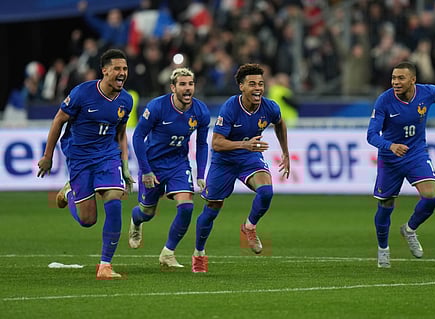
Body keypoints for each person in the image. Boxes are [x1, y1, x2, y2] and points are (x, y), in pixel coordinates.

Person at [37, 49, 135, 279]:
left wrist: (125, 165)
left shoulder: (126, 100)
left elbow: (120, 133)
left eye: (125, 69)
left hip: (107, 155)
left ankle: (105, 265)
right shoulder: (82, 93)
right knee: (88, 220)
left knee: (114, 199)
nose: (122, 74)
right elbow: (59, 120)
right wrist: (48, 156)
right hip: (79, 156)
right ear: (105, 71)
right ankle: (69, 192)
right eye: (118, 69)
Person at [192, 63, 290, 273]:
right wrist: (243, 144)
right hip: (224, 161)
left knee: (266, 191)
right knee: (211, 210)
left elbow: (280, 123)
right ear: (241, 87)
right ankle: (199, 253)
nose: (258, 88)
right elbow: (217, 143)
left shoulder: (270, 107)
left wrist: (286, 152)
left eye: (261, 84)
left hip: (249, 158)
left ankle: (249, 227)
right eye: (252, 84)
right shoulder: (230, 107)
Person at [366, 61, 435, 268]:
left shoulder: (428, 92)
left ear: (413, 80)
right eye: (393, 78)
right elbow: (371, 135)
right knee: (386, 205)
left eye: (400, 78)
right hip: (390, 159)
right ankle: (383, 249)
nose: (395, 82)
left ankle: (410, 229)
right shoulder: (384, 101)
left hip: (416, 154)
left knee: (431, 196)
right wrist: (390, 146)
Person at [128, 67, 210, 268]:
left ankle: (168, 252)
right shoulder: (157, 107)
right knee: (147, 212)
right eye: (182, 84)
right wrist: (146, 170)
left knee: (187, 206)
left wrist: (201, 173)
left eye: (190, 84)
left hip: (178, 164)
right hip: (153, 165)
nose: (187, 88)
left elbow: (202, 144)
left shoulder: (200, 111)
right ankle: (136, 221)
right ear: (173, 88)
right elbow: (138, 137)